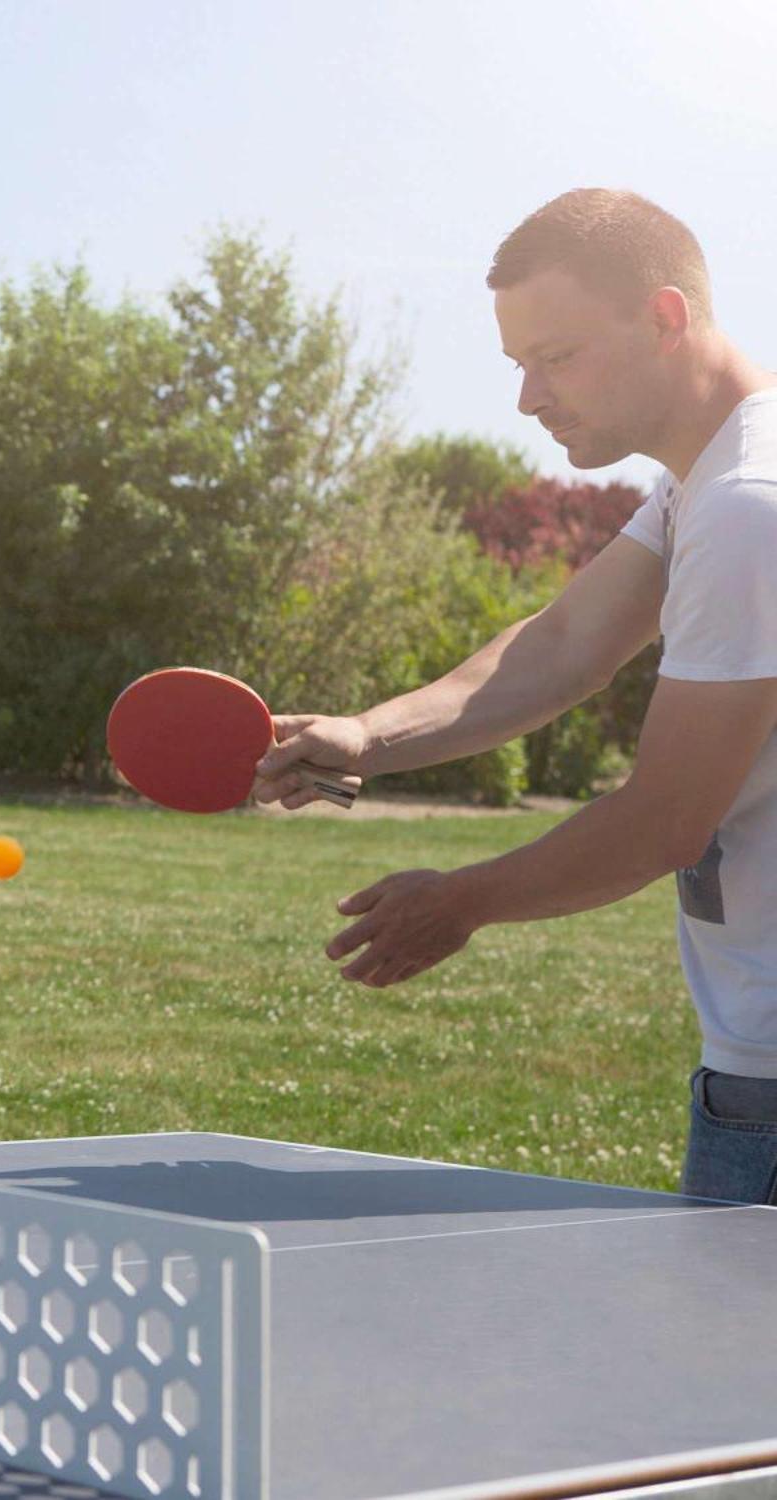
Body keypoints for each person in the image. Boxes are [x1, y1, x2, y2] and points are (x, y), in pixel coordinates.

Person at [251, 188, 777, 1203]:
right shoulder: (701, 483)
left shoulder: (749, 507)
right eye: (516, 365)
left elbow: (666, 819)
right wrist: (364, 735)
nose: (527, 400)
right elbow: (562, 645)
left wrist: (459, 904)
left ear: (663, 318)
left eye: (557, 357)